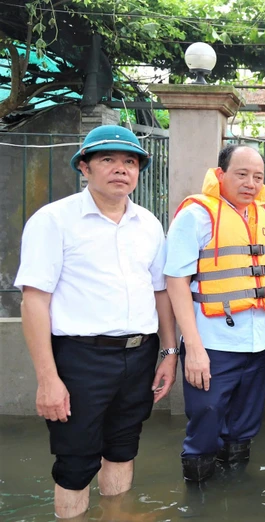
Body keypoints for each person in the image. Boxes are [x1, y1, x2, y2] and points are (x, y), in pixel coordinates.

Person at [15, 125, 177, 519]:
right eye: (108, 160)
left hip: (140, 354)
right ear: (84, 168)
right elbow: (34, 300)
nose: (121, 169)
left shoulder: (149, 225)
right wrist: (48, 379)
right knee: (76, 459)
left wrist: (169, 352)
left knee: (123, 446)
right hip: (80, 358)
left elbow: (160, 293)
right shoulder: (54, 220)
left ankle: (117, 514)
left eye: (130, 162)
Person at [165, 144, 265, 482]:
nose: (250, 183)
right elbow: (176, 282)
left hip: (258, 344)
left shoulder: (263, 216)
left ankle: (237, 497)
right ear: (220, 175)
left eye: (258, 177)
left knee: (244, 429)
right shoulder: (196, 215)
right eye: (242, 174)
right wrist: (194, 349)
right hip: (213, 344)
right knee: (205, 423)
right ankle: (200, 502)